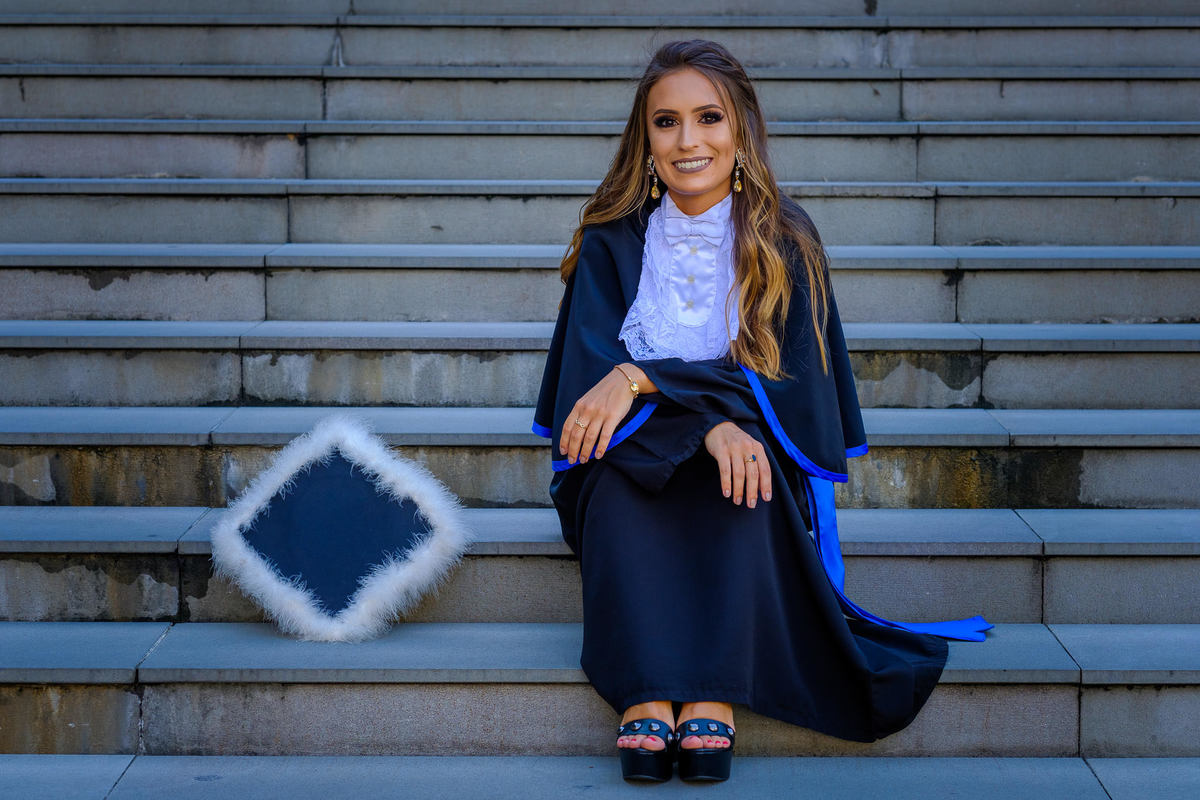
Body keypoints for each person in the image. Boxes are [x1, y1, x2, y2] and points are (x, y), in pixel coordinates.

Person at [532, 39, 991, 783]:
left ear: (741, 128)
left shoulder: (786, 241)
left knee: (744, 472)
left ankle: (715, 688)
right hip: (631, 456)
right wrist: (703, 415)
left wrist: (646, 379)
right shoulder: (610, 243)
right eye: (666, 122)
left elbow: (791, 389)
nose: (689, 141)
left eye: (708, 117)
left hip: (746, 450)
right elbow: (591, 394)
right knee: (621, 487)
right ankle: (645, 688)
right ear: (643, 140)